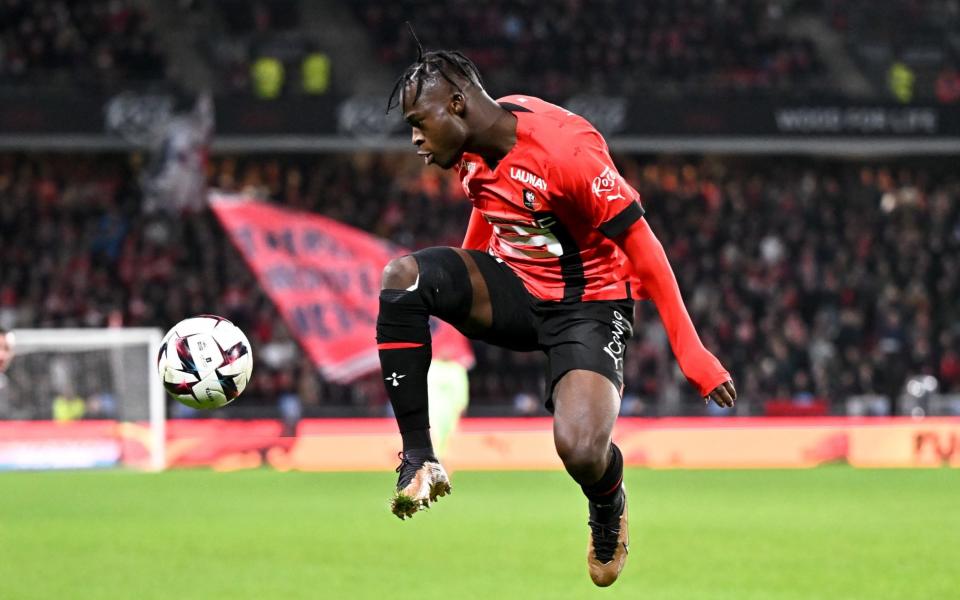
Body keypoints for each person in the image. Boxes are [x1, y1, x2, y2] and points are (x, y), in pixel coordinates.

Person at [376, 44, 736, 587]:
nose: (415, 141)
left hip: (591, 305)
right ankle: (420, 459)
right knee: (404, 280)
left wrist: (693, 353)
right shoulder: (469, 151)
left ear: (456, 104)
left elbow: (643, 245)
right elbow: (490, 210)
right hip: (519, 288)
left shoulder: (565, 152)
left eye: (418, 123)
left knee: (580, 449)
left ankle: (608, 501)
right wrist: (464, 284)